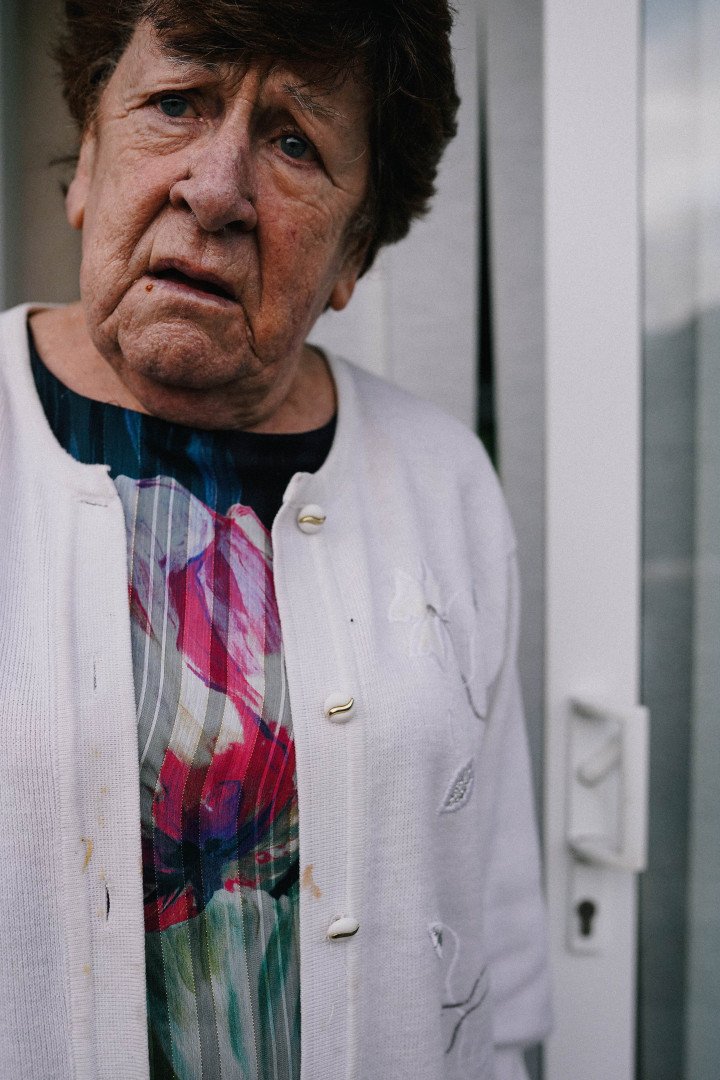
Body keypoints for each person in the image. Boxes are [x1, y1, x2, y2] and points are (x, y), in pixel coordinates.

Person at [0, 1, 551, 1077]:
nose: (215, 191)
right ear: (88, 161)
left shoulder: (442, 480)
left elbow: (491, 931)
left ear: (355, 254)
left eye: (295, 142)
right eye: (175, 103)